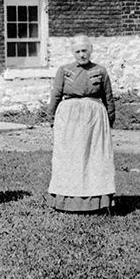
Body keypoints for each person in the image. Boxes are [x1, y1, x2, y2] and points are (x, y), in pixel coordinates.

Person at [46, 36, 117, 213]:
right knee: (70, 157)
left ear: (90, 50)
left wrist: (109, 119)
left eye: (84, 50)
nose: (81, 54)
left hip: (94, 118)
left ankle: (97, 201)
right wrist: (51, 117)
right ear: (73, 53)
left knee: (94, 158)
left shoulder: (100, 71)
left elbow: (108, 97)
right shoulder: (64, 70)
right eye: (77, 51)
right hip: (70, 118)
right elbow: (56, 94)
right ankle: (66, 200)